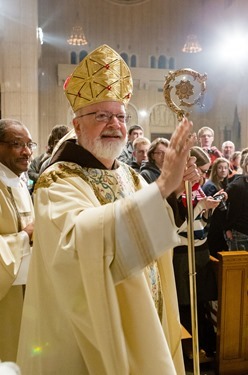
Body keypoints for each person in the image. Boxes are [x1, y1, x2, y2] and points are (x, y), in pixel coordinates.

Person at [17, 44, 198, 375]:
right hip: (93, 334)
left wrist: (171, 191)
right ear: (78, 124)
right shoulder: (57, 180)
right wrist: (161, 186)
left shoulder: (129, 175)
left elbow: (156, 224)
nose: (114, 124)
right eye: (101, 115)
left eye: (120, 116)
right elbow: (79, 241)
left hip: (146, 316)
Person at [172, 146, 219, 361]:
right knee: (187, 304)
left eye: (207, 171)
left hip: (200, 250)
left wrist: (208, 208)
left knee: (200, 303)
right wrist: (201, 206)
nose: (205, 176)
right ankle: (190, 350)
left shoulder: (198, 188)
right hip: (183, 253)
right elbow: (177, 227)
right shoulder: (178, 189)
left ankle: (206, 347)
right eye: (202, 170)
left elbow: (199, 224)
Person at [0, 119, 35, 362]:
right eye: (17, 144)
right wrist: (25, 236)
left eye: (29, 144)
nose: (27, 152)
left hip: (28, 291)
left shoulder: (20, 182)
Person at [202, 157, 230, 257]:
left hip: (217, 226)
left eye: (225, 168)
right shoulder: (211, 186)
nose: (223, 170)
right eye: (220, 168)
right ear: (215, 170)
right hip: (212, 227)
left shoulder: (221, 184)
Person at [225, 154, 248, 250]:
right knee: (239, 264)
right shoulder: (236, 185)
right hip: (240, 232)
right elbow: (223, 207)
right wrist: (226, 228)